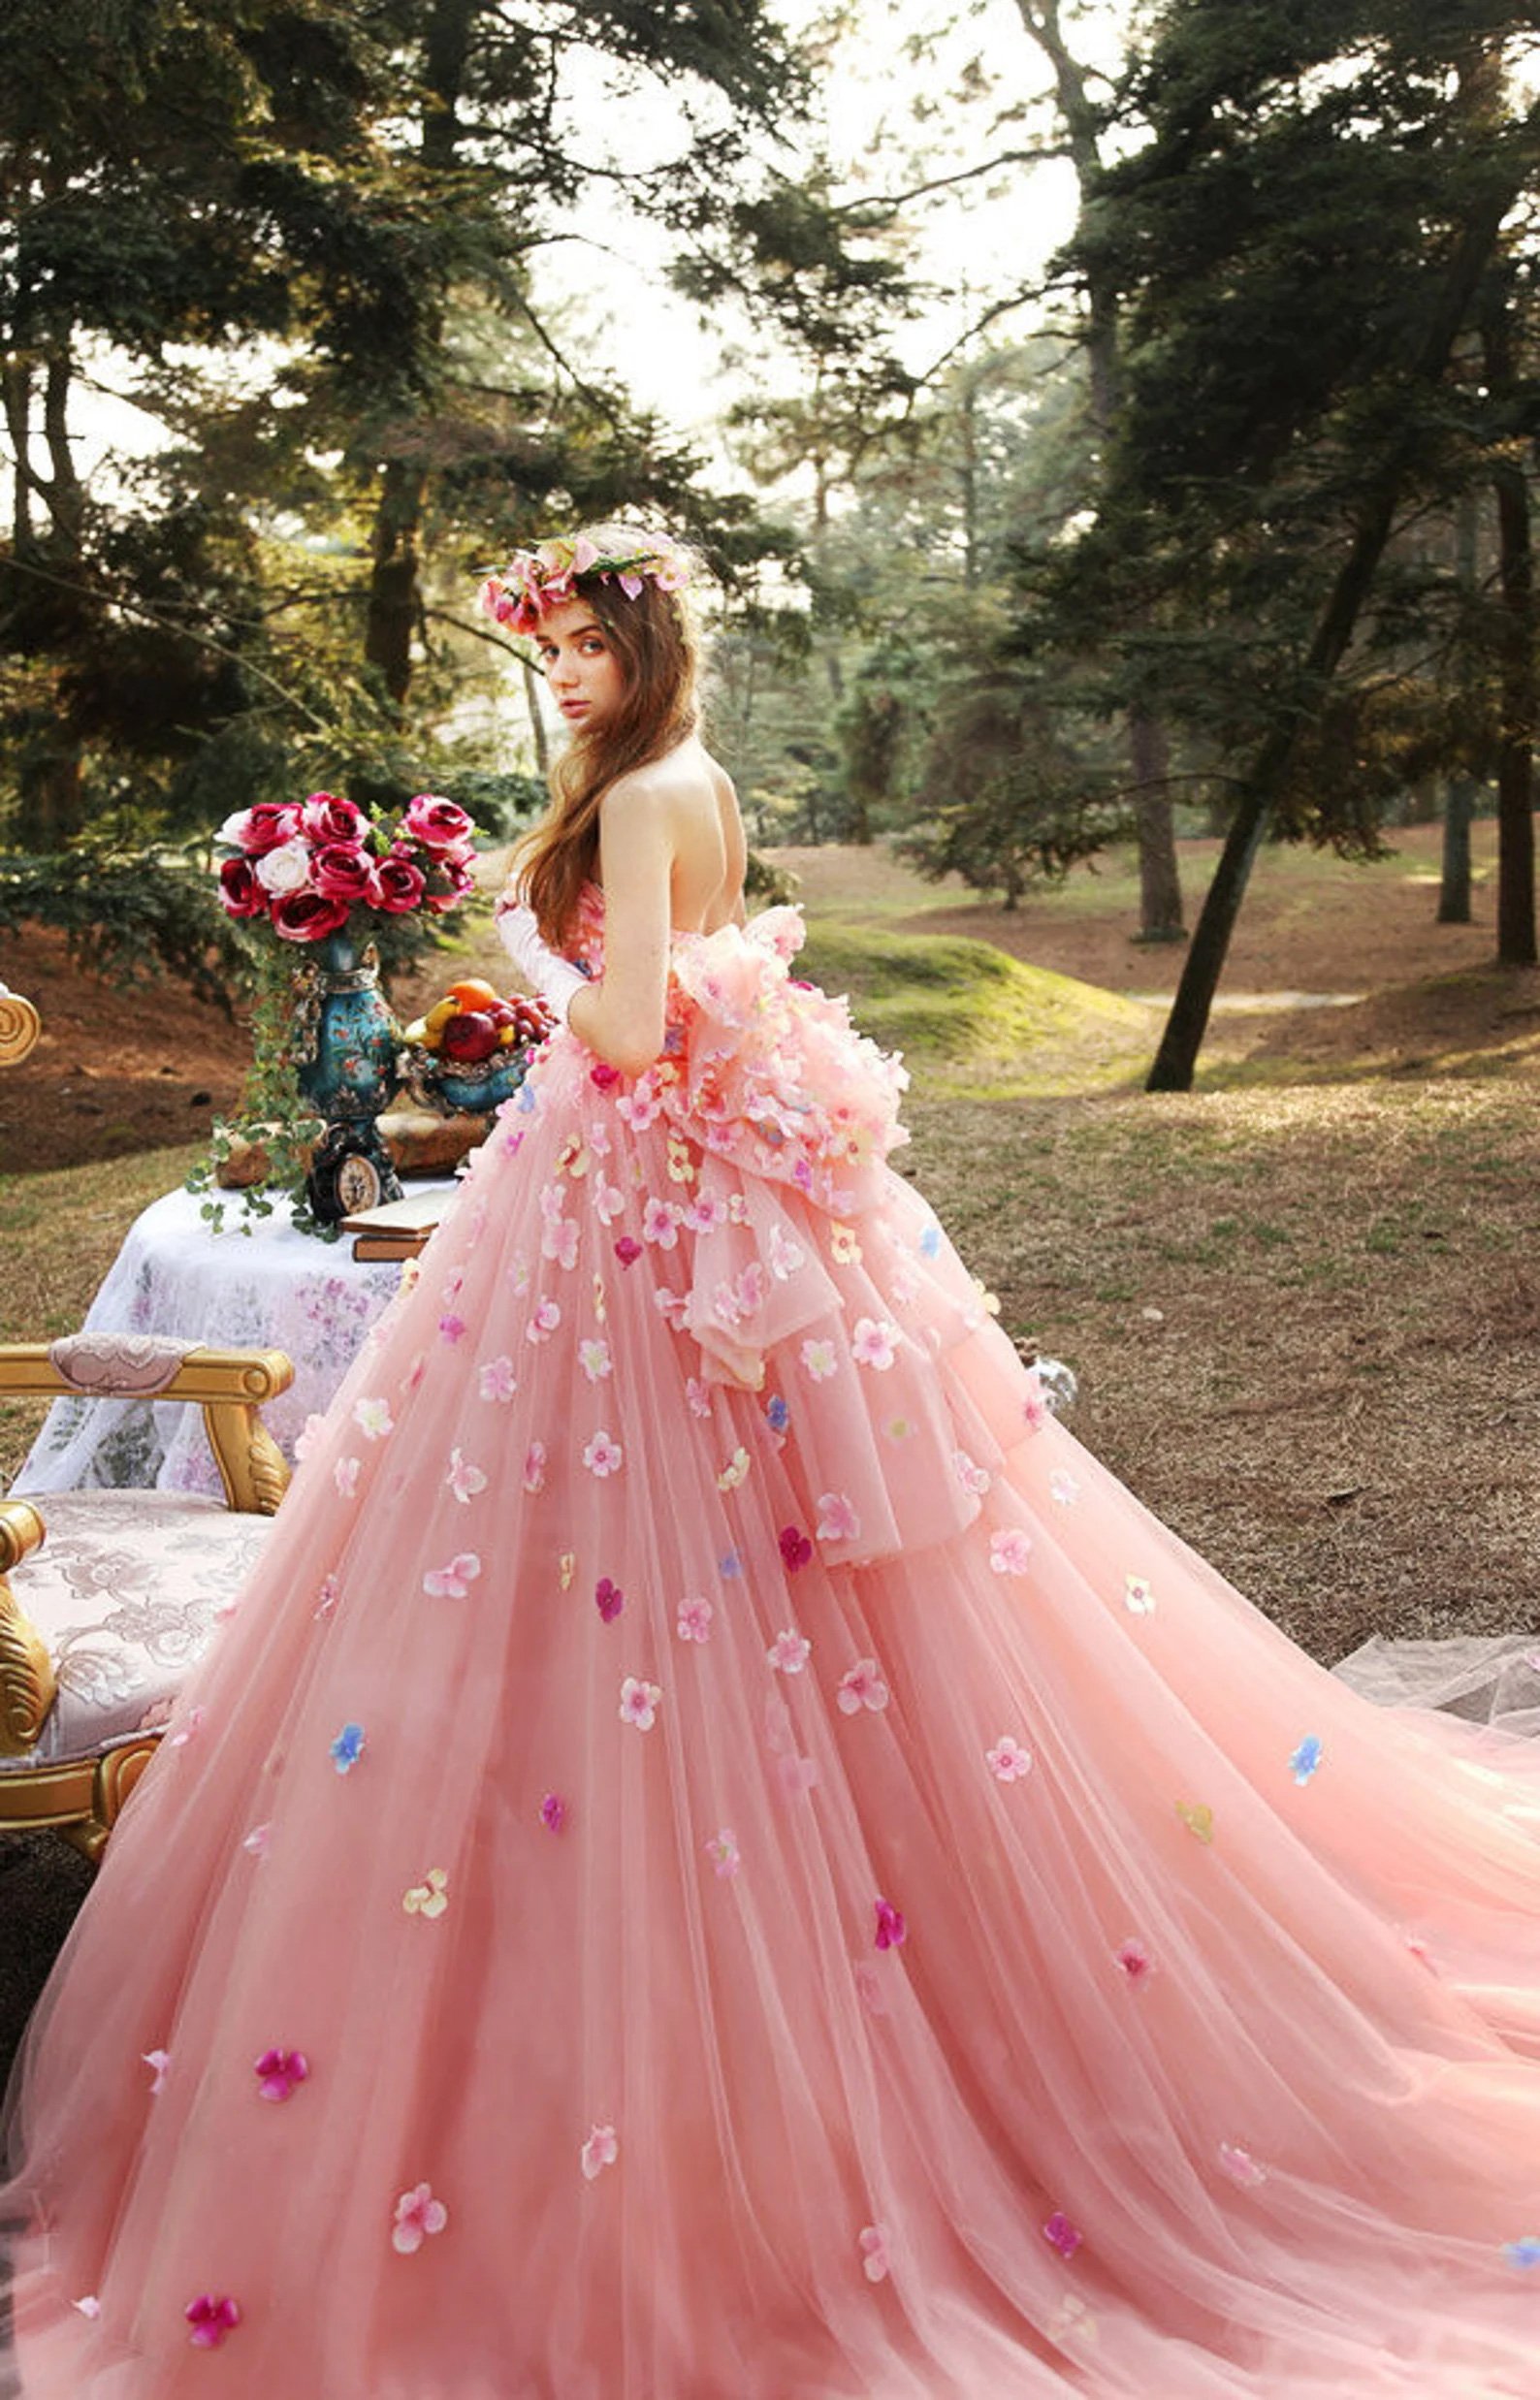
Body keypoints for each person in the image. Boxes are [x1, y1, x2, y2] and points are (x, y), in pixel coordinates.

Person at [4, 524, 1540, 2400]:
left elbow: (637, 1027)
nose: (558, 672)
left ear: (642, 644)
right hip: (643, 1208)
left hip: (625, 1217)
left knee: (639, 1559)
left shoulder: (651, 789)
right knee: (678, 1569)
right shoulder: (668, 781)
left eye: (581, 643)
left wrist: (506, 945)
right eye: (545, 648)